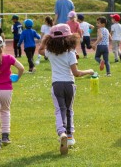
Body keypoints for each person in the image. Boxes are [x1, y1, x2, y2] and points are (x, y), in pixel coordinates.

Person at [38, 24, 94, 155]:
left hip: (57, 84)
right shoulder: (71, 53)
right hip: (69, 84)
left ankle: (61, 132)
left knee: (59, 110)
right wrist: (89, 71)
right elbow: (76, 73)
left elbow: (40, 50)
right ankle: (70, 137)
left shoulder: (50, 52)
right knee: (69, 110)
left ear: (50, 39)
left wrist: (45, 40)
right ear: (69, 38)